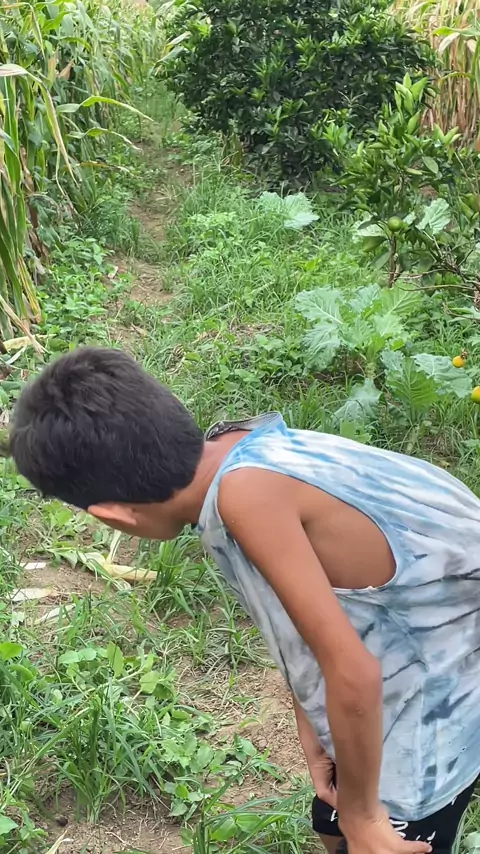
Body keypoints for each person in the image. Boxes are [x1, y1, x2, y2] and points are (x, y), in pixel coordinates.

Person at [9, 346, 480, 854]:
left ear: (112, 515)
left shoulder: (246, 503)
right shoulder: (242, 449)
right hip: (415, 644)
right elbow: (311, 631)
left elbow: (354, 672)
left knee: (368, 833)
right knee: (333, 822)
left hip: (439, 699)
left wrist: (364, 818)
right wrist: (314, 724)